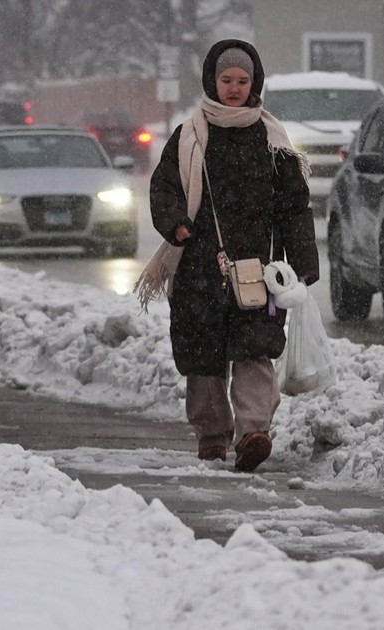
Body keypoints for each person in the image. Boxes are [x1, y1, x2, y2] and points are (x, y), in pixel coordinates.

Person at [134, 39, 318, 472]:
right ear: (211, 81)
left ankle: (254, 432)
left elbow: (294, 205)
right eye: (226, 80)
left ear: (254, 83)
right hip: (200, 265)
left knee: (255, 349)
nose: (234, 88)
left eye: (242, 80)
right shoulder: (189, 136)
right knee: (205, 356)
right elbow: (164, 187)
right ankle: (212, 437)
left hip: (258, 267)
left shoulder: (273, 140)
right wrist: (176, 223)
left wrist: (303, 264)